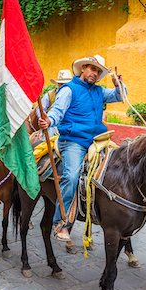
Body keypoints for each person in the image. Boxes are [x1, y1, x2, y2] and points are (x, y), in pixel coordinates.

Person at [38, 55, 125, 241]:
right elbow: (57, 111)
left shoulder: (99, 91)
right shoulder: (69, 89)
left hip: (97, 140)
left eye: (98, 71)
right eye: (92, 69)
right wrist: (49, 120)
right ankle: (61, 222)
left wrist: (118, 84)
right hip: (73, 141)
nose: (95, 73)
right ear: (83, 69)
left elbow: (119, 96)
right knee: (71, 175)